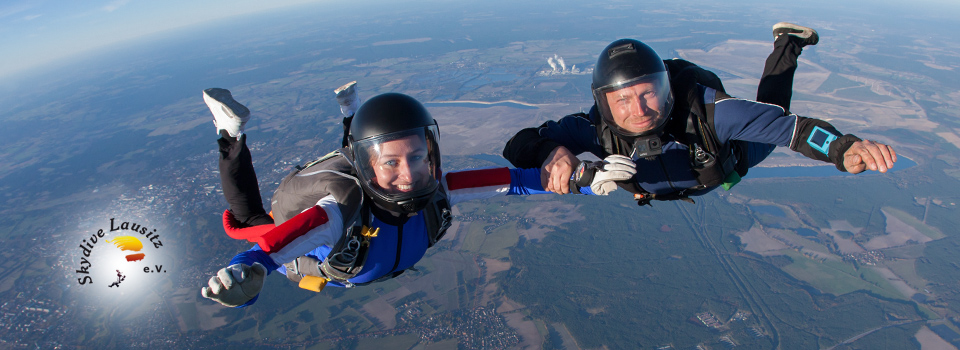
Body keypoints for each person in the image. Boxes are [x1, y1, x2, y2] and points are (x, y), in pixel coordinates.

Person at [199, 85, 636, 307]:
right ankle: (230, 132)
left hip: (364, 238)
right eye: (392, 163)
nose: (410, 175)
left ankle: (351, 111)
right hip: (315, 256)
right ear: (369, 166)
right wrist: (246, 276)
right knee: (251, 220)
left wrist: (580, 177)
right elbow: (269, 250)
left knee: (375, 154)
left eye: (418, 157)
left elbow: (516, 179)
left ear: (432, 153)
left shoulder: (438, 189)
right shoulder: (332, 216)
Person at [503, 23, 898, 205]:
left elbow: (792, 130)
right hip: (668, 182)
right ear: (604, 104)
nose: (638, 110)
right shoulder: (594, 130)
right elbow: (518, 144)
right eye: (622, 101)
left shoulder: (712, 115)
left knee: (774, 111)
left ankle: (788, 44)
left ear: (667, 88)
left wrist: (841, 149)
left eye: (648, 94)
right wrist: (550, 154)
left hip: (735, 157)